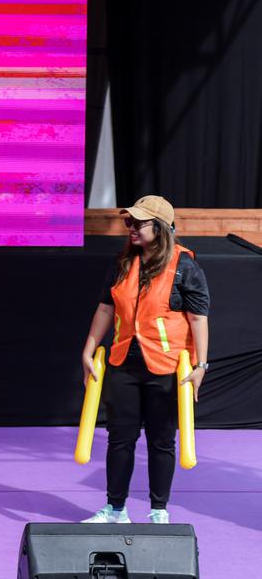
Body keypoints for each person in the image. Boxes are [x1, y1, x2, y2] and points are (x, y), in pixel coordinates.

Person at [79, 196, 210, 525]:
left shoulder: (184, 266)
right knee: (120, 437)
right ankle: (115, 509)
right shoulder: (123, 262)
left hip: (166, 367)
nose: (132, 228)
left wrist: (201, 366)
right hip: (124, 362)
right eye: (129, 222)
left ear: (161, 228)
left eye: (139, 223)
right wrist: (88, 350)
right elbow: (106, 308)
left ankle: (159, 511)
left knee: (161, 440)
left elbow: (198, 319)